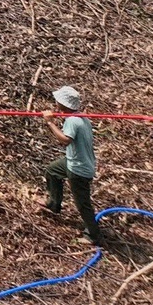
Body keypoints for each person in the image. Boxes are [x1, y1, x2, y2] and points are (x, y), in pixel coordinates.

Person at [42, 86, 103, 243]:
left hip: (79, 169)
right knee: (52, 170)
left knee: (83, 203)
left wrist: (50, 123)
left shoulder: (73, 121)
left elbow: (65, 140)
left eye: (58, 101)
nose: (56, 103)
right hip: (72, 162)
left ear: (64, 104)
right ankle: (53, 203)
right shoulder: (81, 118)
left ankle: (93, 235)